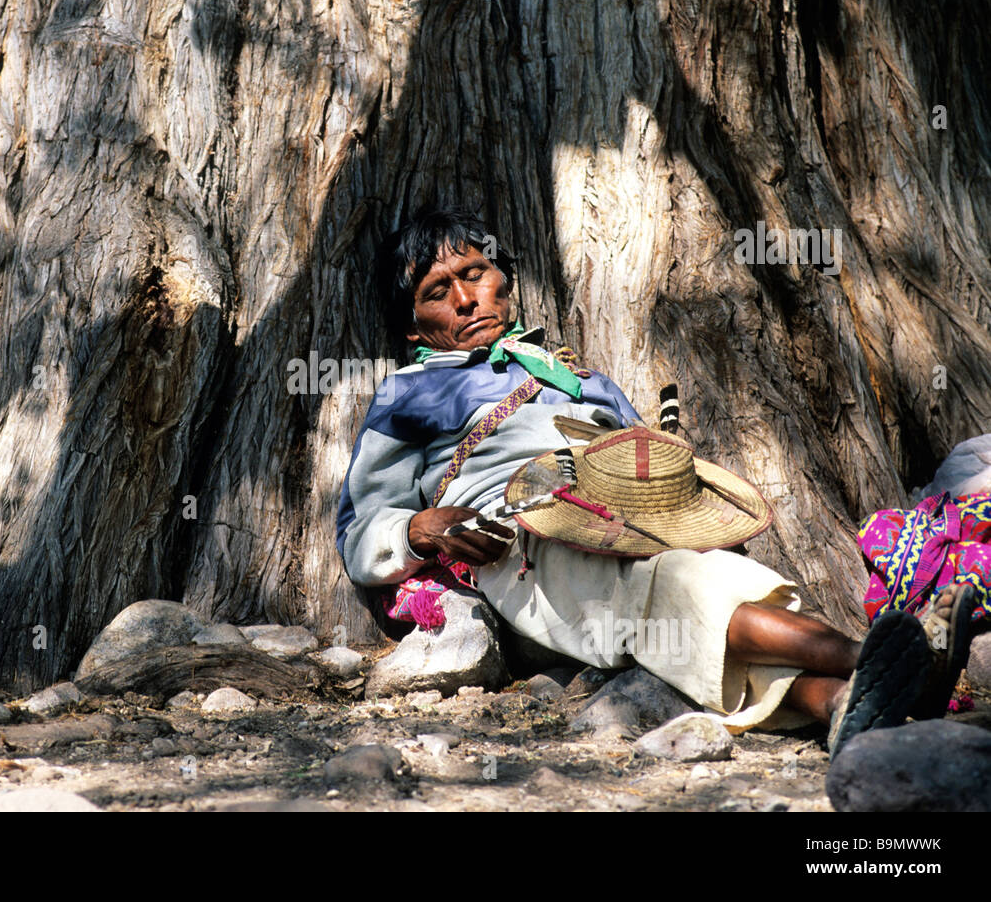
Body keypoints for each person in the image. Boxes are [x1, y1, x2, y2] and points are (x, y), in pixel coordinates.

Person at [337, 205, 967, 754]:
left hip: (634, 527)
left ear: (504, 279)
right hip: (528, 545)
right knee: (680, 587)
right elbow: (360, 526)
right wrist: (421, 528)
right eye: (437, 290)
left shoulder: (578, 380)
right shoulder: (410, 391)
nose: (465, 298)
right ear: (415, 328)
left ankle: (841, 705)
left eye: (474, 273)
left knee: (711, 588)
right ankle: (884, 657)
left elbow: (653, 468)